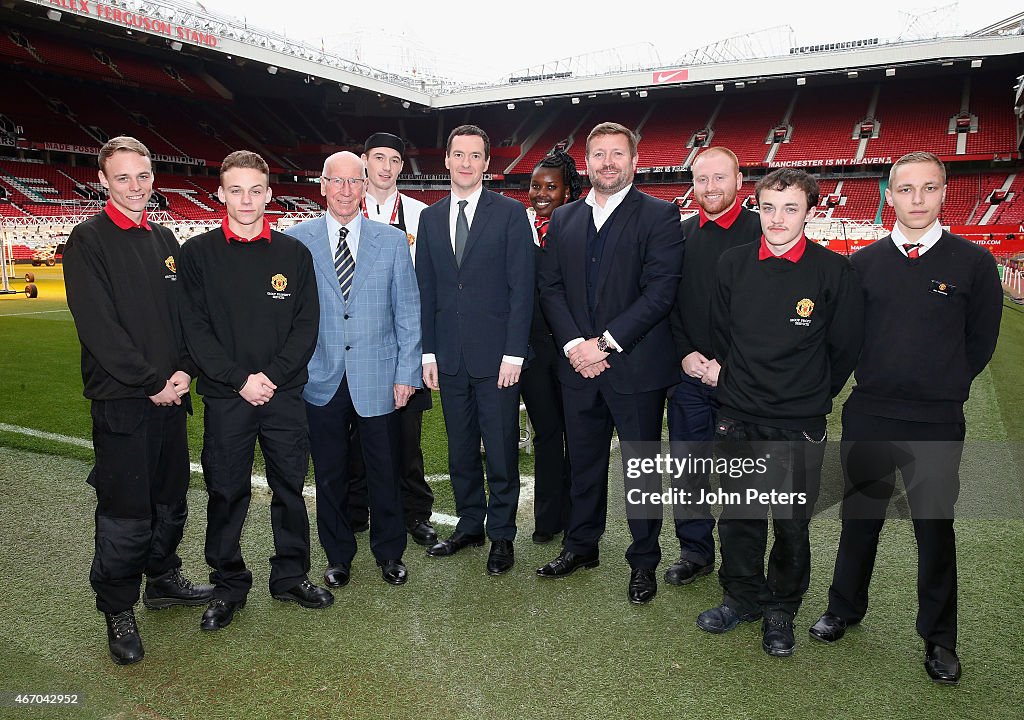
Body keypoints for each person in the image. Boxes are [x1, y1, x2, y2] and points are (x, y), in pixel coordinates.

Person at [808, 152, 1002, 683]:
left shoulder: (974, 264)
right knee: (859, 520)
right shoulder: (863, 264)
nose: (917, 200)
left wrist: (945, 386)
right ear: (888, 196)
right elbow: (845, 340)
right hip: (870, 413)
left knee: (934, 530)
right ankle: (844, 608)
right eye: (906, 189)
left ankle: (939, 638)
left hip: (936, 421)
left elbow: (980, 340)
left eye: (929, 188)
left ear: (944, 194)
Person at [696, 168, 863, 657]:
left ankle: (781, 608)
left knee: (790, 522)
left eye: (790, 208)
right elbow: (721, 333)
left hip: (798, 421)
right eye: (768, 207)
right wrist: (740, 385)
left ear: (811, 211)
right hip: (737, 414)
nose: (778, 218)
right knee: (740, 514)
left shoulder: (833, 271)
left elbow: (844, 350)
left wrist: (806, 394)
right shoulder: (732, 263)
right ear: (757, 207)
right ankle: (741, 597)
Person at [64, 136, 213, 665]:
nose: (135, 187)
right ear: (103, 180)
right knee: (126, 513)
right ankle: (117, 607)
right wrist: (152, 381)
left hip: (170, 397)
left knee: (170, 500)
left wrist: (182, 372)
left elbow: (184, 317)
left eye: (143, 176)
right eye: (122, 177)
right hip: (125, 402)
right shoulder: (88, 240)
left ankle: (164, 580)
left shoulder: (164, 237)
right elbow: (100, 329)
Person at [179, 150, 332, 631]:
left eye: (256, 189)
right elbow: (195, 330)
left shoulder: (294, 254)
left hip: (283, 396)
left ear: (269, 194)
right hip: (227, 398)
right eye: (236, 190)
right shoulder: (197, 254)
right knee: (226, 491)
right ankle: (227, 584)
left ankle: (290, 575)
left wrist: (271, 378)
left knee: (290, 488)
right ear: (221, 194)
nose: (246, 199)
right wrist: (239, 380)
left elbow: (307, 327)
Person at [535, 121, 683, 605]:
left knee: (640, 469)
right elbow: (551, 288)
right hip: (577, 366)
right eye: (598, 154)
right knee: (583, 463)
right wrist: (577, 345)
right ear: (589, 162)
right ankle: (582, 547)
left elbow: (660, 292)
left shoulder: (661, 216)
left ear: (634, 161)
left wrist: (605, 344)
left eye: (617, 153)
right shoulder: (565, 219)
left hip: (636, 369)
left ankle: (643, 562)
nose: (607, 162)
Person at [285, 151, 421, 588]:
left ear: (365, 186)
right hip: (320, 378)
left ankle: (389, 553)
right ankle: (338, 555)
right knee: (330, 474)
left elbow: (408, 314)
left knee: (385, 470)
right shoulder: (295, 240)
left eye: (354, 181)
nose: (345, 190)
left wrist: (406, 375)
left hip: (379, 376)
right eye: (336, 181)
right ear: (322, 185)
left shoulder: (393, 241)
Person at [416, 124, 535, 575]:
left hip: (497, 358)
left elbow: (522, 289)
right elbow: (426, 291)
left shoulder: (510, 214)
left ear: (488, 163)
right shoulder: (429, 218)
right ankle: (470, 524)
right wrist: (428, 354)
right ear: (446, 160)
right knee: (460, 448)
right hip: (448, 356)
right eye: (458, 154)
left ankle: (502, 535)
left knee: (502, 449)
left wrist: (514, 353)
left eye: (475, 155)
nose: (466, 163)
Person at [665, 147, 761, 586]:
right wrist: (686, 353)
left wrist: (729, 364)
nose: (710, 188)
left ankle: (741, 564)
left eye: (720, 178)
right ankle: (695, 552)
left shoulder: (763, 231)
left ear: (740, 180)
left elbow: (770, 313)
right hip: (688, 376)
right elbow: (667, 303)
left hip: (742, 381)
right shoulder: (678, 235)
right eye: (702, 180)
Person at [344, 132, 436, 547]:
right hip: (355, 343)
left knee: (406, 435)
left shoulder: (421, 215)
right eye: (378, 157)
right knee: (353, 433)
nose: (386, 166)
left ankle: (415, 513)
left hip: (402, 344)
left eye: (395, 160)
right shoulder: (343, 209)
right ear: (364, 161)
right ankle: (356, 507)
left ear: (402, 166)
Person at [522, 149, 581, 544]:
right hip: (532, 350)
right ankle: (547, 518)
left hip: (574, 348)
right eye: (536, 186)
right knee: (546, 434)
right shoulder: (519, 224)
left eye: (551, 187)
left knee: (578, 436)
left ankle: (578, 517)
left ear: (567, 192)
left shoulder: (579, 226)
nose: (541, 194)